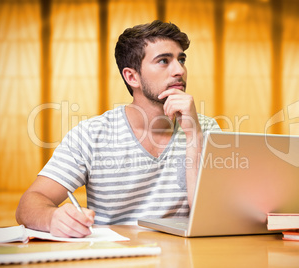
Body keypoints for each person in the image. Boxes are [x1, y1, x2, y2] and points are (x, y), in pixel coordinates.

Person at [16, 20, 221, 238]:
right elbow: (28, 205)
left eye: (181, 60)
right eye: (164, 61)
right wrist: (52, 218)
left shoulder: (205, 129)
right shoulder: (91, 134)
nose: (179, 70)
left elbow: (212, 215)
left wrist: (193, 136)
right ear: (132, 77)